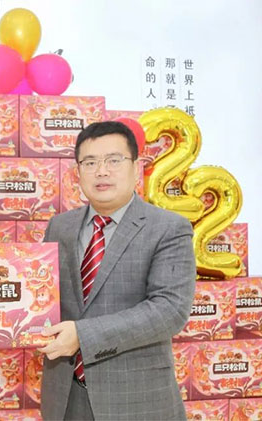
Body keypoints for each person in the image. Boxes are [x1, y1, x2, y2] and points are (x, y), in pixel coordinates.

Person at [38, 121, 196, 420]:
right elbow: (42, 297)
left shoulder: (169, 228)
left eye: (114, 160)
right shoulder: (60, 227)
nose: (101, 171)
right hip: (65, 398)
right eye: (90, 162)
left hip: (136, 400)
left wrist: (82, 336)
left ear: (136, 168)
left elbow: (170, 311)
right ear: (77, 173)